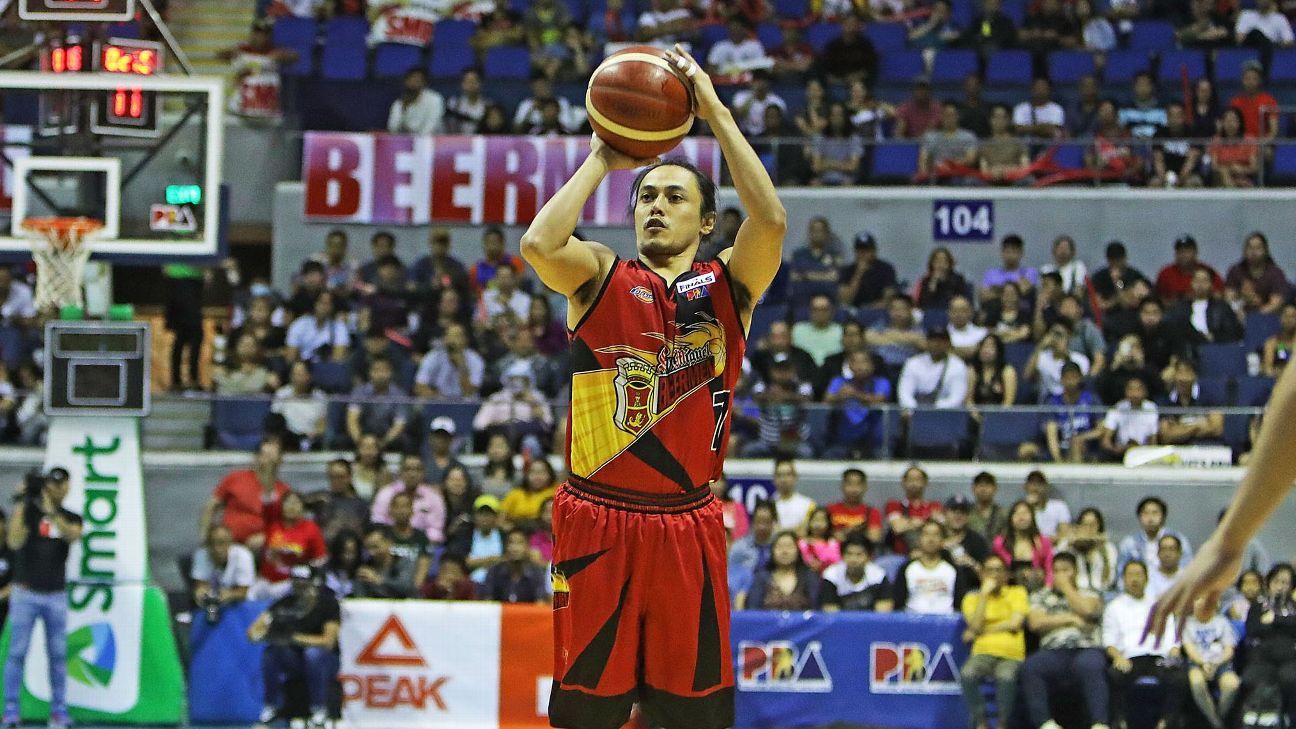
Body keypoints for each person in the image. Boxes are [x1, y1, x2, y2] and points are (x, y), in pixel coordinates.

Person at [520, 44, 783, 725]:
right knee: (588, 714)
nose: (655, 207)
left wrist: (715, 112)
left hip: (685, 521)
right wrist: (602, 157)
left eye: (674, 196)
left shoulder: (729, 286)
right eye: (645, 197)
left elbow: (771, 221)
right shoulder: (599, 274)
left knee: (691, 714)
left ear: (707, 222)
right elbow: (538, 246)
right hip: (597, 515)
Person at [2, 469, 81, 729]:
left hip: (56, 595)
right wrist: (23, 504)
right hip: (25, 594)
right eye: (51, 484)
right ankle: (11, 710)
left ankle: (58, 710)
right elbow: (14, 542)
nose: (55, 488)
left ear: (66, 487)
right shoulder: (28, 514)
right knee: (17, 653)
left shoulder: (71, 517)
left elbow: (72, 534)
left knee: (58, 655)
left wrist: (52, 512)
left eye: (60, 484)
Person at [1019, 552, 1109, 729]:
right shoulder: (1041, 595)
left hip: (1086, 647)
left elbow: (1088, 610)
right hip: (1053, 650)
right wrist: (1071, 619)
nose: (1060, 575)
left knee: (1090, 666)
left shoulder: (1090, 593)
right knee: (1031, 667)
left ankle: (1100, 724)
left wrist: (1067, 588)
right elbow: (1036, 623)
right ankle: (1045, 724)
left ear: (1075, 571)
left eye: (1065, 570)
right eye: (1056, 571)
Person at [246, 567, 339, 729]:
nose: (301, 587)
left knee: (312, 654)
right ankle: (271, 706)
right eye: (297, 583)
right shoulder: (284, 604)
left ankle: (319, 709)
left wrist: (294, 638)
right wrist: (268, 635)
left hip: (325, 661)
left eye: (304, 583)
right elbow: (253, 632)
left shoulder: (328, 604)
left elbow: (328, 641)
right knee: (271, 653)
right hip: (295, 661)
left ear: (313, 584)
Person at [1104, 560, 1186, 729]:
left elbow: (1173, 638)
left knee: (1179, 678)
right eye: (1130, 575)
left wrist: (1173, 653)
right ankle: (1120, 723)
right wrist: (1117, 657)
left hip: (1158, 658)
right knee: (1114, 675)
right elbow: (1109, 642)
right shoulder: (1114, 607)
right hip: (1130, 659)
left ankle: (1166, 724)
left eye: (1138, 575)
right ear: (1123, 579)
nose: (1134, 579)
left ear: (1147, 579)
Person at [960, 554, 1028, 729]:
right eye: (990, 571)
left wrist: (983, 630)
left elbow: (1015, 623)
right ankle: (981, 722)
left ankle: (1001, 724)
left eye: (999, 570)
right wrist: (984, 595)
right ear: (982, 574)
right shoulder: (971, 599)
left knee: (1006, 677)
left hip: (1011, 655)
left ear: (1006, 575)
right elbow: (975, 626)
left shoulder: (1017, 592)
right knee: (967, 674)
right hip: (982, 653)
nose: (995, 575)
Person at [200, 438, 290, 551]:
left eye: (271, 457)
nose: (267, 461)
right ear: (256, 457)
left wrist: (266, 537)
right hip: (227, 545)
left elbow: (289, 527)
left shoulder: (284, 491)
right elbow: (211, 506)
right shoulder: (236, 478)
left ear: (280, 460)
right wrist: (205, 534)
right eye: (264, 455)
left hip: (261, 549)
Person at [253, 491, 326, 601]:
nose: (291, 507)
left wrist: (305, 565)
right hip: (266, 580)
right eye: (288, 503)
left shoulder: (310, 528)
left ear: (302, 507)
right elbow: (267, 501)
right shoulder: (273, 524)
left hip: (292, 583)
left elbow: (320, 558)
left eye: (295, 503)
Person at [1182, 596, 1240, 729]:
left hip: (1221, 663)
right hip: (1197, 663)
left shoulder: (1222, 622)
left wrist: (1216, 663)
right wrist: (1203, 663)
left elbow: (1229, 650)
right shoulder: (1187, 624)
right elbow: (1189, 649)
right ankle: (1217, 724)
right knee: (1197, 683)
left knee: (1233, 685)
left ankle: (1215, 718)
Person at [370, 453, 446, 543]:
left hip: (423, 543)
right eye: (408, 469)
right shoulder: (386, 494)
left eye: (417, 469)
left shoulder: (434, 497)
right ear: (400, 472)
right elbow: (378, 522)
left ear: (424, 473)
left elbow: (436, 528)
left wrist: (422, 541)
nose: (412, 474)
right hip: (389, 542)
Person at [894, 520, 967, 614]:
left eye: (936, 535)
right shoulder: (907, 568)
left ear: (943, 540)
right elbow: (898, 604)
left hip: (946, 620)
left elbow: (959, 605)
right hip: (912, 620)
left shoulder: (953, 570)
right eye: (926, 534)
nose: (931, 539)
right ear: (919, 539)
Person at [740, 531, 822, 610]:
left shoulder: (809, 577)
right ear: (772, 551)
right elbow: (753, 610)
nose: (784, 551)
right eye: (779, 547)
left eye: (789, 546)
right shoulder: (761, 578)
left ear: (797, 550)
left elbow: (817, 610)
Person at [1117, 496, 1193, 580]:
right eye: (1146, 513)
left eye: (1155, 513)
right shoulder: (1129, 543)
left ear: (1163, 516)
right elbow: (1121, 574)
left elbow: (1187, 568)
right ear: (1139, 517)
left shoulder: (1178, 539)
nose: (1150, 518)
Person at [191, 524, 255, 621]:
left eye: (222, 543)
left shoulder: (243, 556)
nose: (217, 548)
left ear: (230, 543)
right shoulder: (201, 555)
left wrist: (229, 594)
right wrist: (201, 592)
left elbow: (243, 592)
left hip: (240, 603)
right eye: (212, 543)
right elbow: (200, 585)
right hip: (212, 603)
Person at [819, 536, 893, 612]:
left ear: (869, 557)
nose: (853, 559)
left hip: (871, 618)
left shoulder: (878, 576)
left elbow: (884, 611)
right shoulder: (831, 576)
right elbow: (830, 612)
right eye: (849, 554)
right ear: (842, 556)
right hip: (840, 619)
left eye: (859, 554)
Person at [994, 500, 1054, 591]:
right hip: (1007, 589)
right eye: (1017, 514)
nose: (1021, 517)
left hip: (1037, 589)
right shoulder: (1000, 543)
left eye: (1025, 513)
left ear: (1032, 517)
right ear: (1011, 518)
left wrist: (1047, 588)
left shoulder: (1043, 542)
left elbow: (1049, 568)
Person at [1225, 231, 1288, 315]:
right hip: (1239, 315)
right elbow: (1228, 298)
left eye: (1258, 248)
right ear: (1244, 250)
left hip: (1267, 316)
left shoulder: (1276, 273)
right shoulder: (1235, 271)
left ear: (1265, 251)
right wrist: (1238, 309)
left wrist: (1256, 317)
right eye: (1250, 248)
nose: (1253, 252)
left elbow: (1276, 304)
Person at [1098, 376, 1160, 461]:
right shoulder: (1118, 408)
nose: (1134, 394)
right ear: (1125, 391)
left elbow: (1153, 439)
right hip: (1120, 452)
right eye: (1131, 389)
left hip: (1143, 452)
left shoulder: (1151, 408)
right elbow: (1106, 439)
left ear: (1145, 392)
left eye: (1138, 389)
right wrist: (1113, 449)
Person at [885, 465, 943, 555]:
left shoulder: (935, 506)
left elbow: (942, 527)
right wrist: (927, 520)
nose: (914, 483)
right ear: (903, 482)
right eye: (910, 479)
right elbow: (898, 528)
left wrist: (908, 522)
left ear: (925, 482)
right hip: (901, 556)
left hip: (929, 555)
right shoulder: (894, 505)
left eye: (918, 479)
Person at [1058, 508, 1118, 594]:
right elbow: (1058, 561)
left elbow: (1110, 577)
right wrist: (1072, 542)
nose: (1088, 529)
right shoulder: (1069, 546)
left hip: (1101, 591)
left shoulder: (1108, 548)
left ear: (1099, 526)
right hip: (1076, 591)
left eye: (1092, 525)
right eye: (1085, 524)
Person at [728, 501, 777, 600]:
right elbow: (732, 577)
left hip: (774, 595)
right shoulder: (739, 548)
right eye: (758, 521)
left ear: (774, 523)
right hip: (744, 595)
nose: (762, 527)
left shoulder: (779, 546)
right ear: (752, 522)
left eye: (766, 522)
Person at [484, 529, 548, 603]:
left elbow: (540, 604)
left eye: (520, 543)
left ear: (527, 547)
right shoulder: (494, 572)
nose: (515, 548)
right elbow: (488, 604)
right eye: (511, 543)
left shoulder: (537, 574)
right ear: (505, 547)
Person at [353, 526, 416, 599]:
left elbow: (406, 587)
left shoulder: (404, 562)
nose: (371, 552)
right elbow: (360, 598)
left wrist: (379, 580)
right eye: (368, 548)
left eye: (375, 547)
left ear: (389, 543)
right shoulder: (365, 568)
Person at [825, 468, 883, 543]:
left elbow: (874, 537)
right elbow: (822, 535)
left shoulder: (872, 512)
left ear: (865, 487)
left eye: (858, 484)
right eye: (849, 484)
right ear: (842, 486)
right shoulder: (830, 509)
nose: (853, 489)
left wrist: (847, 533)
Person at [387, 68, 444, 135]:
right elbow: (392, 127)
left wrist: (416, 138)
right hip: (405, 139)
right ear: (405, 82)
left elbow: (431, 126)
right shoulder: (398, 104)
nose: (413, 83)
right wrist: (404, 109)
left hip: (431, 139)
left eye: (417, 80)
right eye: (411, 79)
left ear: (424, 82)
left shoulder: (434, 99)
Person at [770, 457, 816, 532]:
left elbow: (805, 531)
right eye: (779, 475)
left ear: (795, 477)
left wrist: (781, 531)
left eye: (788, 475)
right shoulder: (768, 506)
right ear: (774, 479)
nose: (783, 480)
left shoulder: (808, 505)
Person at [797, 508, 841, 573]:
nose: (818, 524)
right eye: (815, 520)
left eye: (822, 520)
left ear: (828, 523)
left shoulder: (834, 543)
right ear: (809, 522)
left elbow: (837, 563)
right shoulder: (802, 543)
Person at [1263, 303, 1296, 377]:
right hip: (1279, 380)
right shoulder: (1272, 343)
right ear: (1280, 318)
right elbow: (1268, 369)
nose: (1289, 320)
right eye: (1286, 316)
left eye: (1293, 316)